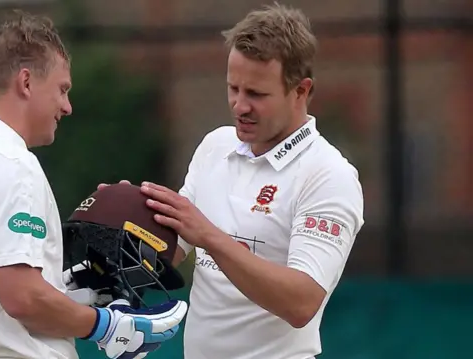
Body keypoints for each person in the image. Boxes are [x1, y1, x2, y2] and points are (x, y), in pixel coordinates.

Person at [0, 10, 187, 359]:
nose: (67, 106)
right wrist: (107, 326)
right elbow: (22, 298)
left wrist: (68, 293)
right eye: (62, 89)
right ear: (26, 82)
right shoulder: (12, 164)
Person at [101, 3, 364, 359]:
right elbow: (172, 249)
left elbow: (301, 303)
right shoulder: (216, 145)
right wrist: (120, 224)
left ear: (301, 91)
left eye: (256, 94)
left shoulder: (328, 174)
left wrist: (208, 236)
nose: (239, 105)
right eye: (233, 88)